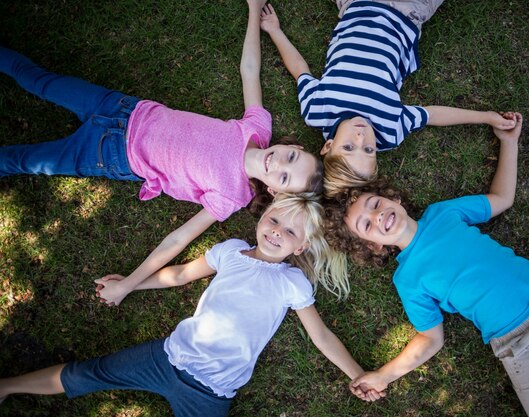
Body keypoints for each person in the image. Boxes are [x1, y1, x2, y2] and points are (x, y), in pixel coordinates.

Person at [0, 0, 324, 306]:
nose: (279, 162)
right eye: (291, 157)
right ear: (292, 146)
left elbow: (178, 239)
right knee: (40, 80)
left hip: (111, 154)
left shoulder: (232, 195)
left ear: (275, 190)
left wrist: (127, 284)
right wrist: (254, 11)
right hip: (124, 108)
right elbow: (249, 70)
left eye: (283, 176)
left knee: (25, 160)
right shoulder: (256, 127)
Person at [324, 112, 529, 417]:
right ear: (374, 245)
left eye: (375, 204)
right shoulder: (407, 280)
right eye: (367, 224)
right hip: (521, 346)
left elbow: (501, 198)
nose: (377, 216)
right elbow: (431, 338)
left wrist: (509, 142)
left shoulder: (442, 213)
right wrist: (383, 375)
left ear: (394, 199)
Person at [0, 193, 385, 416]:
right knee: (88, 373)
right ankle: (8, 386)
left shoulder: (292, 282)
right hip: (168, 357)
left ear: (300, 247)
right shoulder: (231, 251)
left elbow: (320, 335)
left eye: (288, 232)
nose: (275, 233)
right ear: (262, 217)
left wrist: (357, 372)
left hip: (211, 393)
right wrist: (130, 285)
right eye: (272, 220)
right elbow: (181, 274)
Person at [259, 1, 516, 196]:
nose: (361, 138)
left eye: (348, 147)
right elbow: (432, 115)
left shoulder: (317, 110)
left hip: (355, 6)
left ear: (327, 145)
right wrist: (484, 117)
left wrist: (274, 31)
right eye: (369, 150)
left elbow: (299, 69)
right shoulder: (391, 130)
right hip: (406, 14)